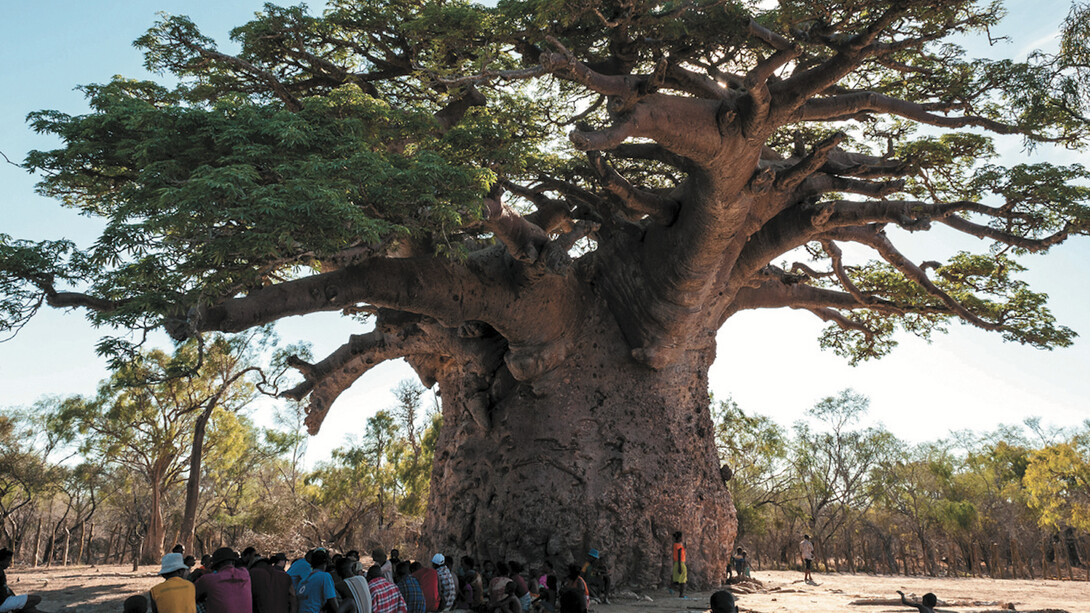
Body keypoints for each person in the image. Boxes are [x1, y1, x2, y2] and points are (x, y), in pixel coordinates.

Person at [195, 547, 253, 613]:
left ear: (215, 566)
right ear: (233, 562)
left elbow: (192, 593)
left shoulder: (209, 579)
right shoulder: (245, 574)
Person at [0, 548, 42, 613]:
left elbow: (6, 587)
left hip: (7, 600)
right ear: (1, 561)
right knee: (36, 599)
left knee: (31, 609)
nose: (8, 564)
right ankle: (16, 610)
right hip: (3, 602)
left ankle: (18, 609)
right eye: (7, 561)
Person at [298, 549, 338, 613]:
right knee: (350, 602)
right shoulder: (325, 576)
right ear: (327, 562)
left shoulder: (303, 580)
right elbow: (332, 602)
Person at [670, 532, 687, 599]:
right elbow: (679, 556)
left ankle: (671, 588)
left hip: (677, 563)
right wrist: (680, 566)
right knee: (683, 580)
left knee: (678, 579)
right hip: (680, 563)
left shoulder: (675, 545)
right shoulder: (679, 546)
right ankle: (681, 594)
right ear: (680, 538)